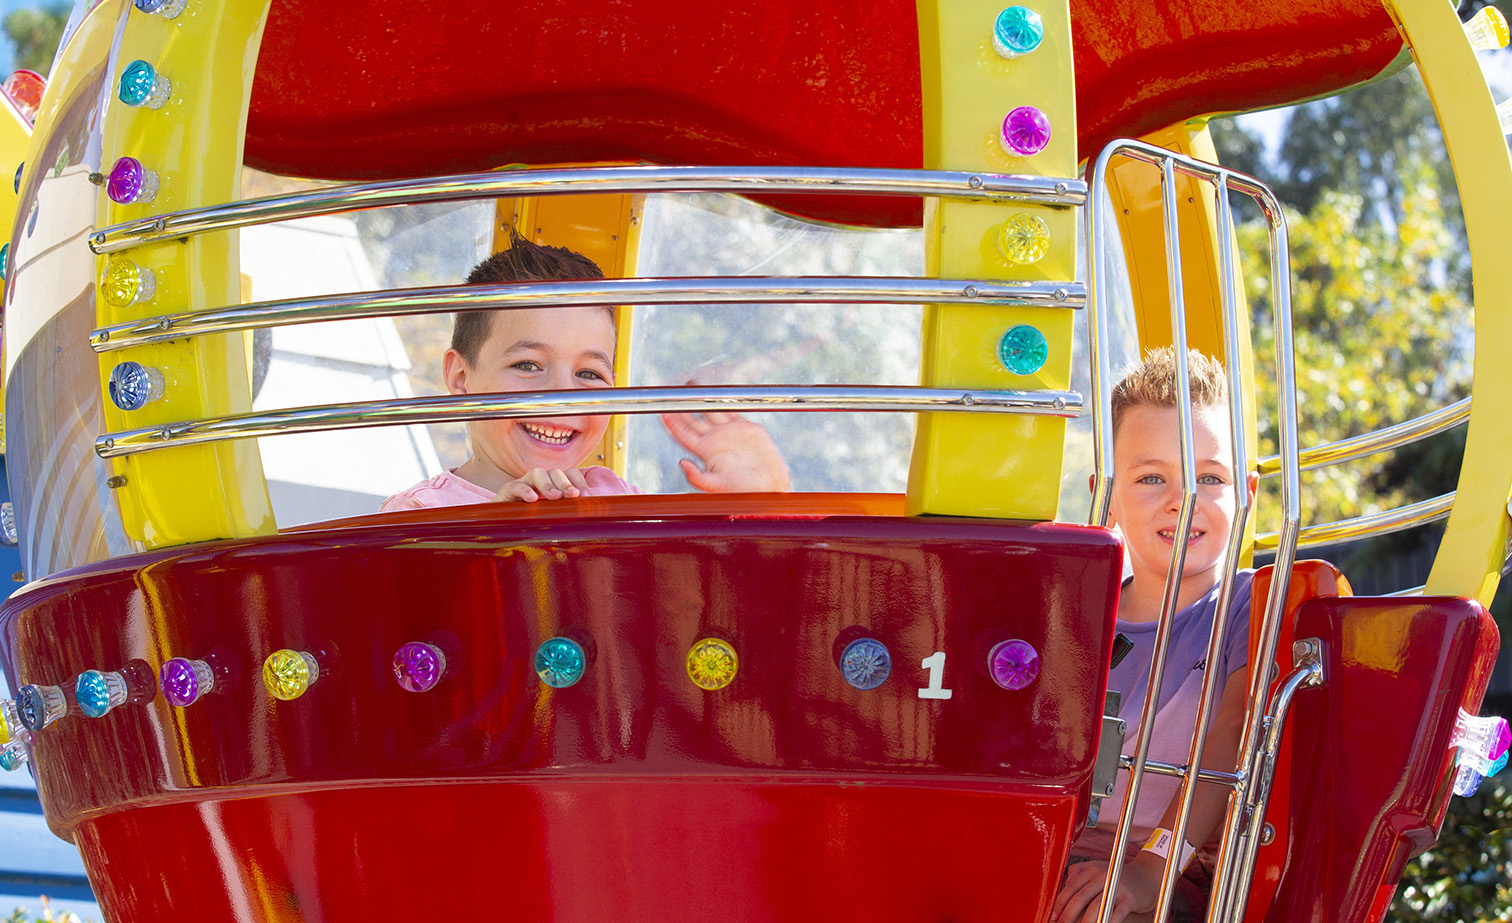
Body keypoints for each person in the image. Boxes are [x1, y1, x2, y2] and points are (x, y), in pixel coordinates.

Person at [1053, 347, 1259, 923]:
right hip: (1054, 853)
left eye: (1209, 478)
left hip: (1174, 869)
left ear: (1246, 493)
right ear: (1108, 495)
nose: (1183, 498)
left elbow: (1237, 727)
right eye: (1151, 477)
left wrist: (1153, 868)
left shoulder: (1248, 604)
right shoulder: (1077, 615)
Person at [383, 232, 790, 511]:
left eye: (589, 373)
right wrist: (492, 535)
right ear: (460, 378)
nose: (564, 394)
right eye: (527, 365)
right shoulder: (418, 512)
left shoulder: (615, 498)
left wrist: (762, 496)